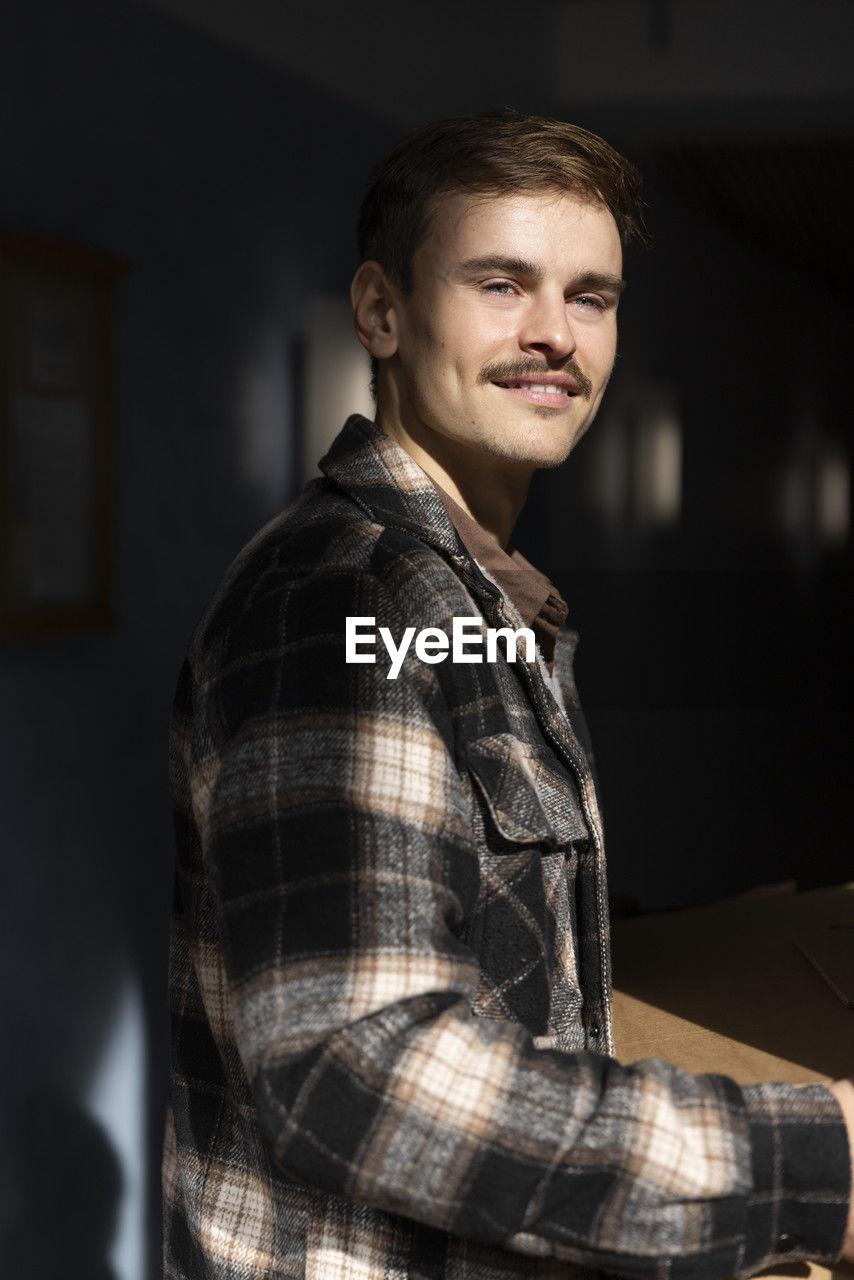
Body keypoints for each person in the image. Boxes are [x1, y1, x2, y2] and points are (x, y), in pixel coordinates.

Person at [162, 109, 854, 1280]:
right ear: (381, 311)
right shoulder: (344, 603)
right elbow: (350, 1061)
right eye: (500, 283)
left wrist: (667, 936)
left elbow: (431, 896)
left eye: (589, 296)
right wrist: (816, 1169)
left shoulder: (465, 590)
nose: (553, 336)